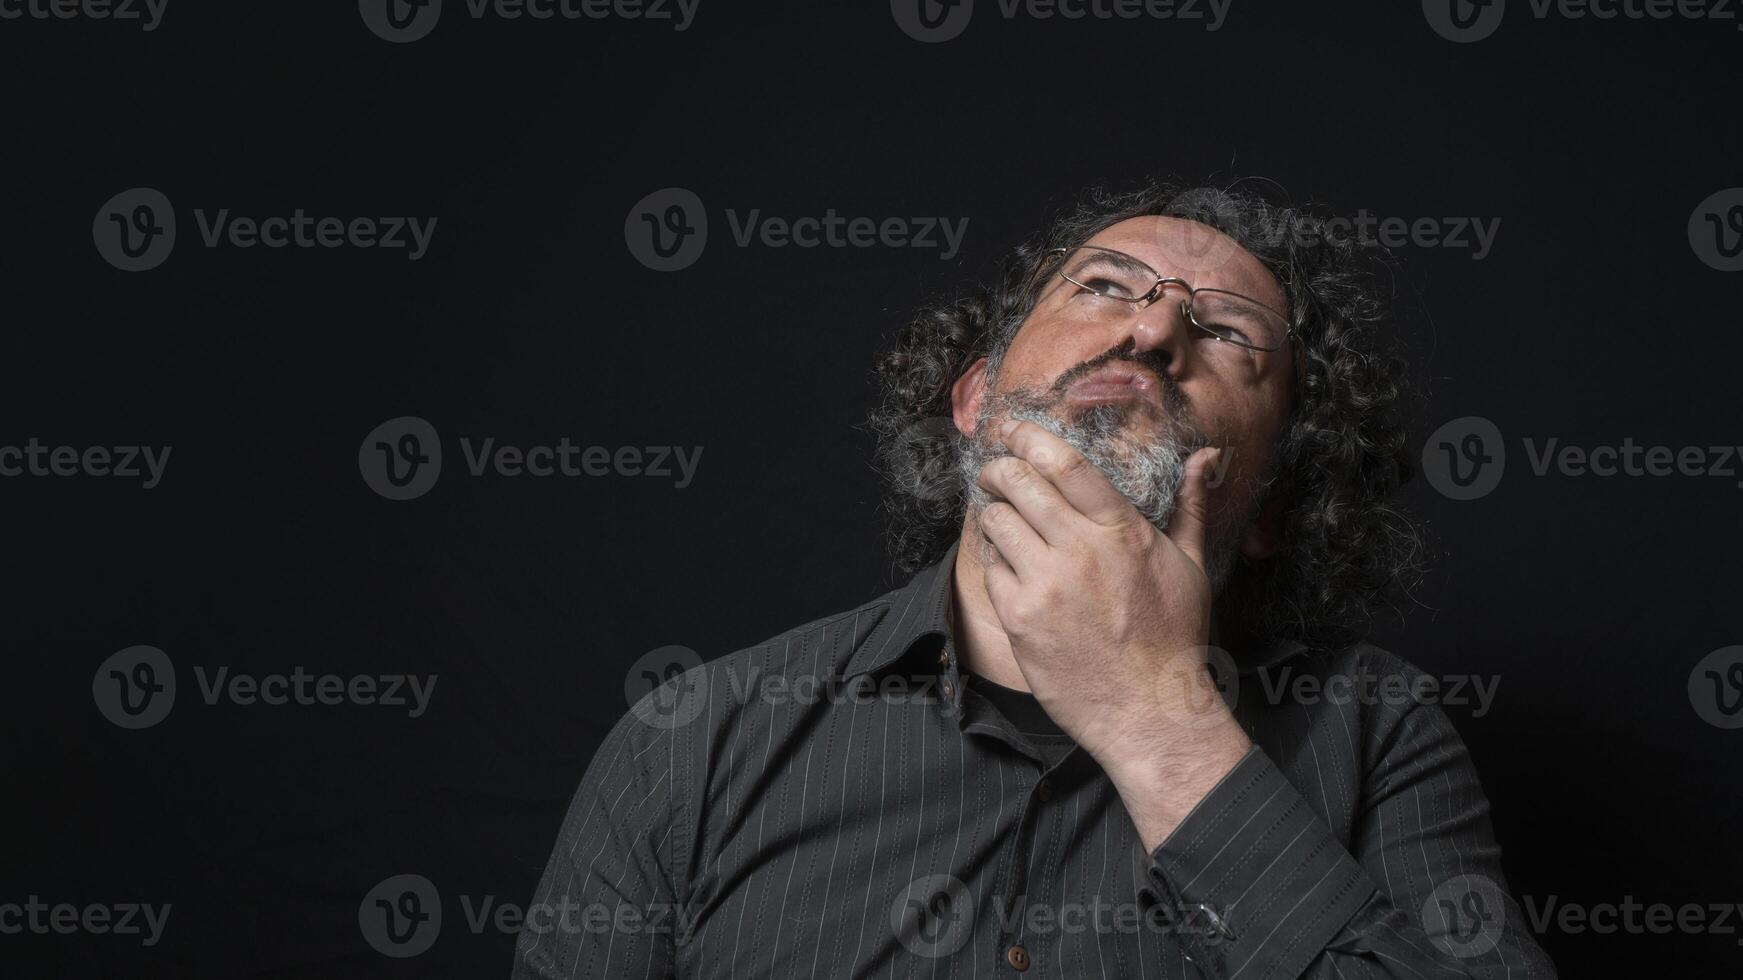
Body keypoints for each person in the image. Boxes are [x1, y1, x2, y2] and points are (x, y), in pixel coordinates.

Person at [512, 180, 1557, 978]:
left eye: (1230, 331)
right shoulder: (692, 741)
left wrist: (1159, 719)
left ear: (1281, 500)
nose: (1153, 329)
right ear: (972, 398)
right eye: (1103, 285)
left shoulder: (1376, 728)